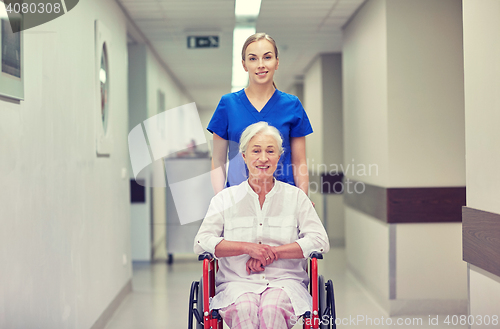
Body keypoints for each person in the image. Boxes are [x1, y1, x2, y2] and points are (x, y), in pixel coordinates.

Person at [194, 122, 329, 329]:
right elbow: (202, 242)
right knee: (244, 310)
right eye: (256, 150)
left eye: (270, 151)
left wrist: (273, 252)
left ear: (279, 157)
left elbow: (320, 241)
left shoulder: (296, 198)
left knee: (271, 310)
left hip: (285, 283)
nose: (263, 158)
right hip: (237, 284)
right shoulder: (225, 199)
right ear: (244, 156)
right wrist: (247, 248)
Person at [208, 33, 313, 196]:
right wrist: (220, 201)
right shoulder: (228, 105)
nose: (261, 65)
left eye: (267, 57)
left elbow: (299, 162)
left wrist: (302, 200)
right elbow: (218, 161)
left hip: (284, 200)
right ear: (244, 65)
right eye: (253, 59)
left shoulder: (292, 105)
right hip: (238, 201)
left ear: (277, 62)